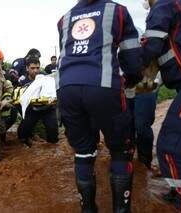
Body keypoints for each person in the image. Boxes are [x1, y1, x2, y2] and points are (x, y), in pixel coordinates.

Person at [57, 0, 143, 212]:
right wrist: (133, 78)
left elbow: (67, 52)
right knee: (121, 150)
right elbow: (131, 55)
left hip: (66, 88)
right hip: (103, 86)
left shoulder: (64, 18)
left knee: (83, 152)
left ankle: (88, 209)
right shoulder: (118, 11)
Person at [141, 0, 181, 212]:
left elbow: (151, 47)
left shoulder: (164, 5)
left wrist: (131, 69)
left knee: (170, 145)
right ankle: (180, 188)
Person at [17, 57, 59, 147]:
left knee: (53, 131)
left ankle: (52, 148)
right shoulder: (22, 80)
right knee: (24, 130)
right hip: (32, 109)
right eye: (32, 68)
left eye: (37, 68)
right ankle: (24, 143)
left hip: (48, 108)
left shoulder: (46, 77)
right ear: (27, 68)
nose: (36, 71)